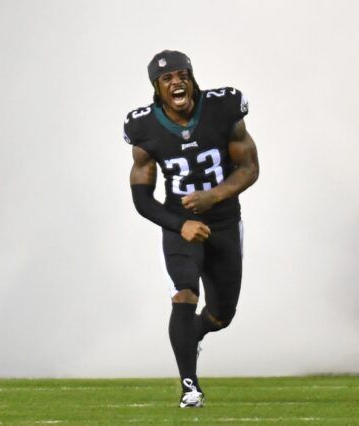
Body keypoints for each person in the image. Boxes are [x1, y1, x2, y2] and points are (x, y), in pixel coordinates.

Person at [123, 50, 259, 408]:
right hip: (179, 222)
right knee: (184, 291)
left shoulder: (223, 107)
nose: (176, 82)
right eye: (167, 78)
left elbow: (249, 168)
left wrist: (213, 197)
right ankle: (190, 387)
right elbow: (141, 197)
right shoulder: (143, 128)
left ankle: (195, 333)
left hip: (224, 221)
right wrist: (180, 224)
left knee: (221, 315)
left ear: (192, 77)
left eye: (182, 75)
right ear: (157, 87)